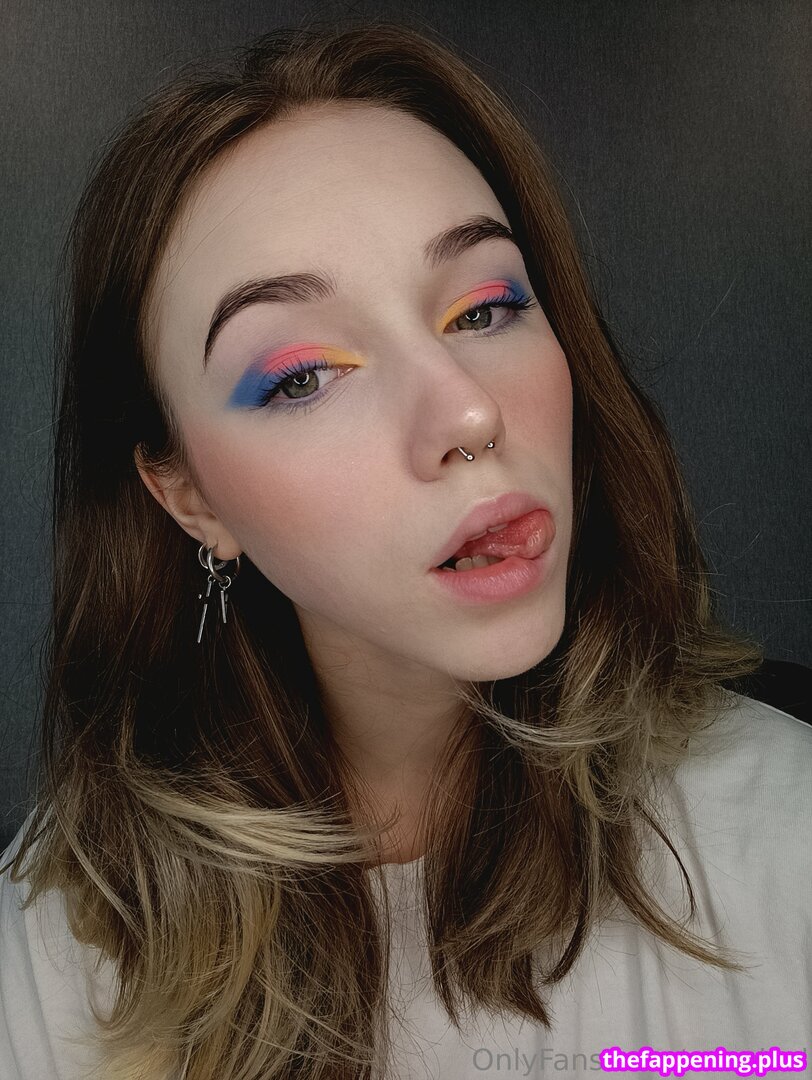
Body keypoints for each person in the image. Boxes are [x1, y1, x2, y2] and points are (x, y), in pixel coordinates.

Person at [1, 18, 810, 1080]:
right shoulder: (56, 955)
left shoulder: (783, 837)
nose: (468, 412)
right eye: (301, 376)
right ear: (189, 496)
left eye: (484, 308)